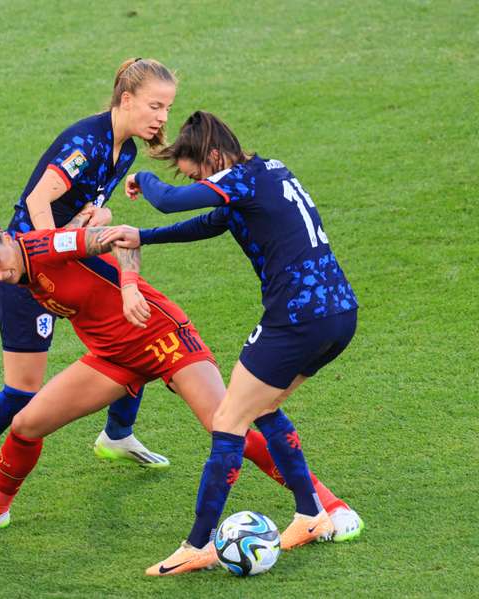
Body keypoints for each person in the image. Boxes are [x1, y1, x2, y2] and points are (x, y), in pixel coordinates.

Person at [0, 214, 353, 554]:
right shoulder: (23, 277)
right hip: (113, 358)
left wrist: (129, 287)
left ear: (7, 239)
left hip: (164, 338)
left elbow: (123, 239)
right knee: (26, 424)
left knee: (227, 425)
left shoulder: (46, 247)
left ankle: (326, 504)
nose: (0, 276)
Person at [98, 111, 364, 575]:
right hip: (338, 314)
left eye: (198, 173)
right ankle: (310, 514)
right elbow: (213, 222)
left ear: (215, 156)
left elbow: (172, 202)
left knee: (228, 421)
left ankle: (198, 544)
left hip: (296, 319)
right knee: (262, 407)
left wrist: (141, 176)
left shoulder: (238, 178)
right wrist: (143, 237)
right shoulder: (269, 172)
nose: (197, 182)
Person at [0, 59, 179, 516]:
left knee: (135, 326)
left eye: (167, 108)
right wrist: (51, 249)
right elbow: (39, 199)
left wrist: (93, 219)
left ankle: (117, 435)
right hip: (26, 272)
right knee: (23, 392)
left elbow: (85, 209)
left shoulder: (124, 151)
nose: (162, 117)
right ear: (126, 100)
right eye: (156, 106)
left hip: (69, 263)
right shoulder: (87, 141)